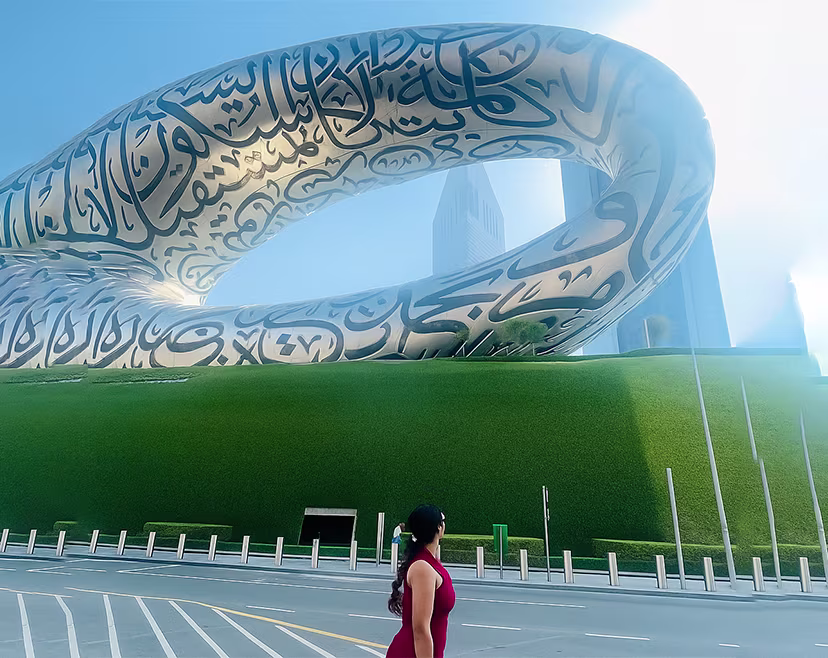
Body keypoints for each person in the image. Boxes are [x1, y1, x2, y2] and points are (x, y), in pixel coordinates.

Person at [386, 504, 455, 658]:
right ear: (438, 527)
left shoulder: (430, 562)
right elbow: (420, 629)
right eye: (443, 520)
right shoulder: (422, 567)